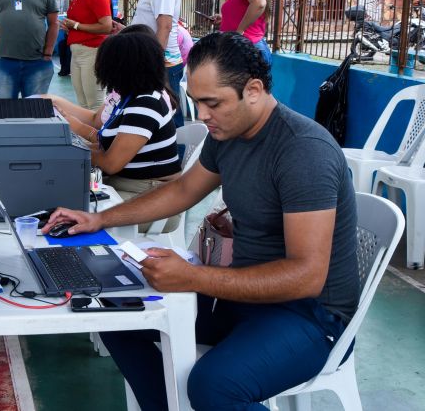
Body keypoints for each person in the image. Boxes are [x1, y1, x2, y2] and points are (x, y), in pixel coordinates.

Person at [43, 32, 358, 411]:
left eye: (213, 103)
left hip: (309, 315)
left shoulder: (303, 151)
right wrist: (98, 219)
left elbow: (307, 276)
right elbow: (182, 192)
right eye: (196, 102)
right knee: (118, 316)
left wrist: (193, 278)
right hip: (244, 292)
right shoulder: (228, 132)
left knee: (214, 386)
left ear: (254, 90)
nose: (202, 114)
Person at [45, 28, 181, 231]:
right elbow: (102, 145)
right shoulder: (130, 98)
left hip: (150, 198)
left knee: (66, 216)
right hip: (127, 186)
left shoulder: (146, 104)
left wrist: (65, 149)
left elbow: (110, 163)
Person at [129, 0, 184, 130]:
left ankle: (174, 158)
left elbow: (165, 26)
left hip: (163, 63)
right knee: (157, 113)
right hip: (157, 61)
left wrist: (154, 62)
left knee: (168, 118)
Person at [60, 0, 113, 109]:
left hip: (92, 52)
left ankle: (96, 133)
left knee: (94, 103)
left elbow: (106, 26)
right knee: (83, 102)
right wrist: (70, 29)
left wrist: (75, 26)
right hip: (78, 53)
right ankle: (88, 133)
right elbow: (85, 24)